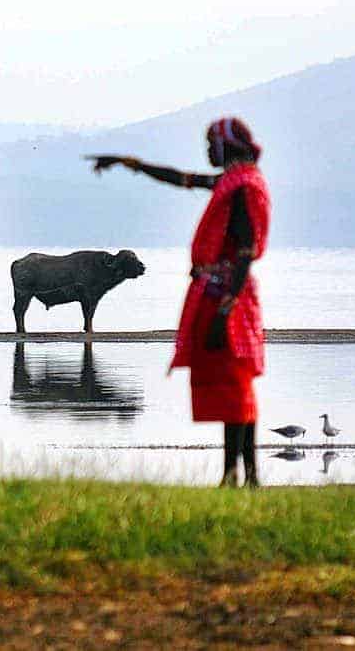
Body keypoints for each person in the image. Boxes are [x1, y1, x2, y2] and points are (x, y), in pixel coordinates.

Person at [92, 117, 270, 487]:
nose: (207, 151)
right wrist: (133, 165)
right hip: (221, 292)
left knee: (234, 384)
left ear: (227, 146)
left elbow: (245, 251)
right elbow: (181, 179)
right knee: (233, 384)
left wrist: (225, 309)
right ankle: (245, 475)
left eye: (211, 144)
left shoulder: (242, 188)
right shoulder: (232, 182)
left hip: (227, 296)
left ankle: (235, 474)